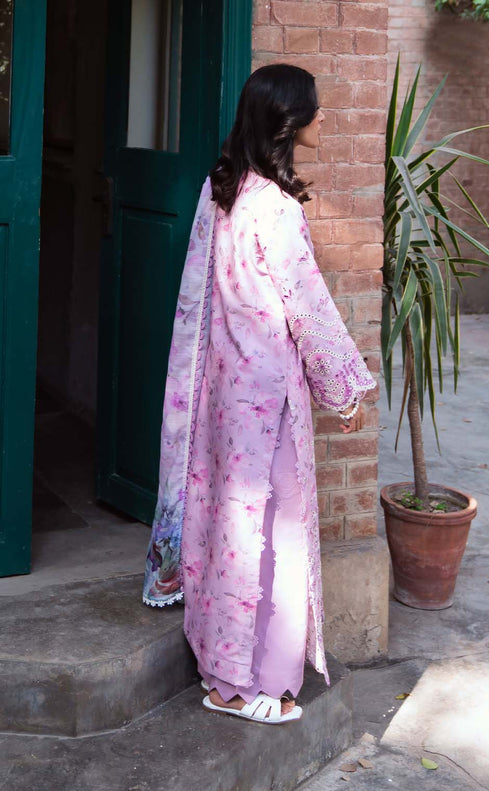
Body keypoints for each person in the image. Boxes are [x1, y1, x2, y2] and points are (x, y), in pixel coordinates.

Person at [142, 64, 376, 725]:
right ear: (287, 123)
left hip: (221, 392)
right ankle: (241, 687)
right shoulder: (274, 208)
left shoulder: (221, 192)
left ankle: (224, 669)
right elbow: (308, 308)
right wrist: (343, 389)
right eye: (314, 109)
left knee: (228, 525)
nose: (324, 118)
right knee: (269, 536)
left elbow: (200, 297)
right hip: (266, 398)